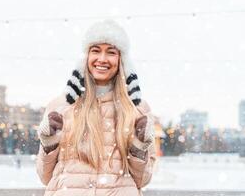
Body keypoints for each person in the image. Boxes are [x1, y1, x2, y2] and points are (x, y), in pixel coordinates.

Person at [36, 20, 156, 196]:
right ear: (86, 57)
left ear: (121, 59)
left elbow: (142, 180)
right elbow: (45, 177)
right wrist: (49, 144)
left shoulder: (137, 109)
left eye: (111, 52)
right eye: (96, 50)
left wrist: (139, 147)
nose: (102, 59)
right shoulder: (61, 106)